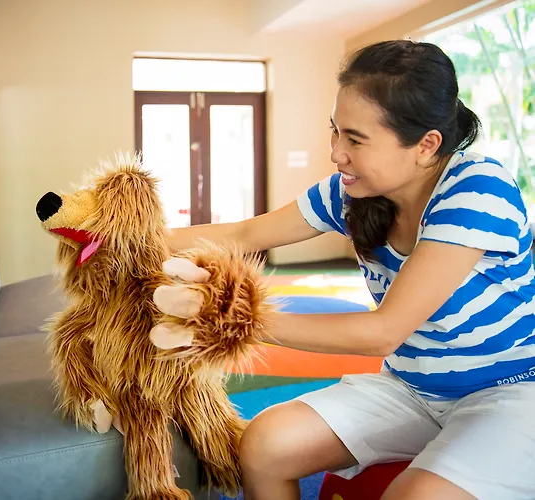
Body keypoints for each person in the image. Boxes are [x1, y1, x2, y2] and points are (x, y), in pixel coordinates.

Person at [165, 40, 535, 500]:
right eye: (335, 131)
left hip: (507, 392)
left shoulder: (479, 189)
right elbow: (244, 234)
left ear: (426, 145)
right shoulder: (349, 191)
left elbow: (384, 332)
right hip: (411, 388)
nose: (336, 153)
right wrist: (124, 237)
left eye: (355, 139)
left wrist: (235, 321)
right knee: (264, 445)